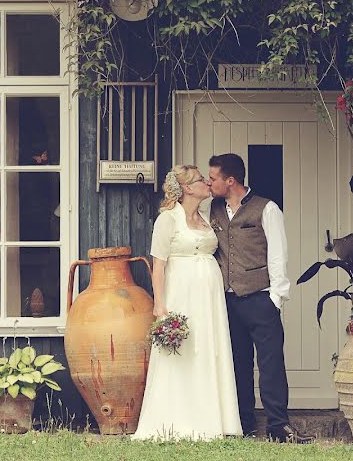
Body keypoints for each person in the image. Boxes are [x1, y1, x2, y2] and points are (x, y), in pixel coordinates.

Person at [207, 153, 313, 444]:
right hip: (229, 301)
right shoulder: (213, 209)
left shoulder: (267, 209)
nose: (209, 182)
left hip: (260, 299)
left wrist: (276, 297)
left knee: (271, 366)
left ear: (231, 180)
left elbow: (278, 254)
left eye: (213, 177)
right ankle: (243, 422)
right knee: (238, 364)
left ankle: (279, 426)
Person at [132, 165, 242, 441]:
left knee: (208, 349)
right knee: (183, 351)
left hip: (209, 298)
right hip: (181, 292)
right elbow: (158, 266)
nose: (207, 183)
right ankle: (178, 418)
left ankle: (212, 419)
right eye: (200, 180)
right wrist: (160, 306)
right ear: (187, 189)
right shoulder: (167, 220)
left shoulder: (206, 217)